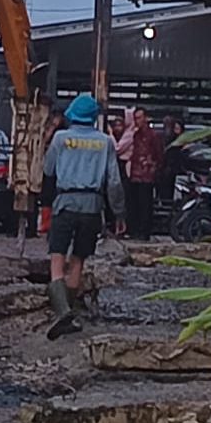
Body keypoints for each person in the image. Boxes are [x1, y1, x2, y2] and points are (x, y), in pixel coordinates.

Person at [43, 93, 125, 341]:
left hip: (65, 204)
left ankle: (62, 312)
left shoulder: (60, 138)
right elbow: (114, 182)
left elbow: (48, 170)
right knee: (78, 259)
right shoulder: (106, 142)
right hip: (92, 207)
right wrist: (119, 213)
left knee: (57, 258)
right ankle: (69, 311)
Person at [126, 106, 163, 241]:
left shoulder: (153, 135)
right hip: (135, 174)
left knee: (145, 204)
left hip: (147, 175)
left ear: (145, 118)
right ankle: (135, 230)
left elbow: (159, 154)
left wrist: (154, 167)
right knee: (134, 203)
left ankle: (145, 231)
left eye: (139, 118)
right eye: (135, 118)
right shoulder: (136, 135)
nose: (137, 121)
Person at [38, 106, 69, 234]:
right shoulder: (47, 128)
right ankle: (45, 222)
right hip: (50, 163)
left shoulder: (64, 133)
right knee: (47, 194)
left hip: (61, 166)